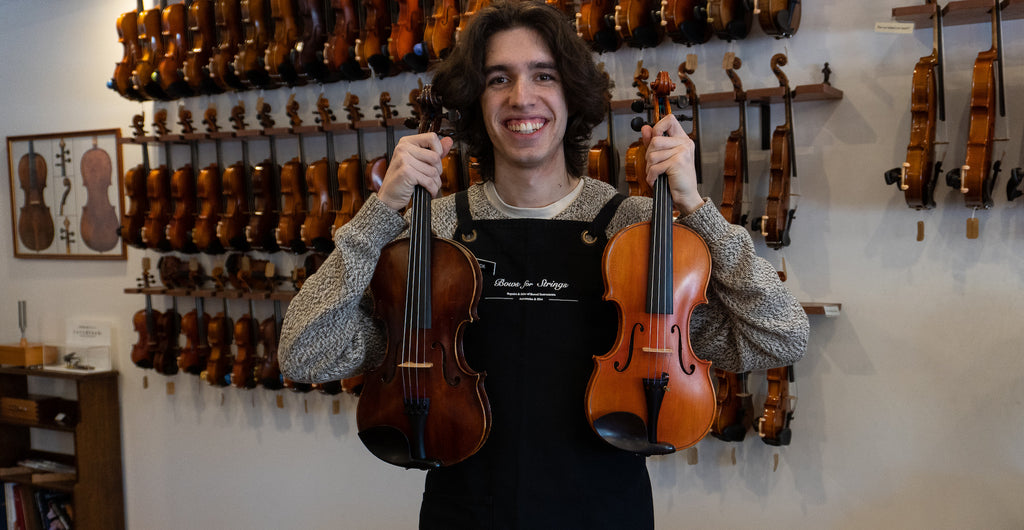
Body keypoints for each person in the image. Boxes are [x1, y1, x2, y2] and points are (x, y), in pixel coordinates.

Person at [279, 2, 809, 528]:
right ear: (475, 101)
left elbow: (781, 337)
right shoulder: (431, 233)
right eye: (497, 79)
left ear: (571, 95)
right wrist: (379, 214)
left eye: (543, 75)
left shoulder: (637, 231)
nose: (521, 97)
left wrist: (697, 209)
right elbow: (305, 355)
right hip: (465, 514)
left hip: (603, 515)